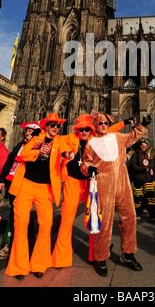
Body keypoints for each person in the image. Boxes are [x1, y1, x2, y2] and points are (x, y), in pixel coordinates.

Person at [51, 112, 130, 268]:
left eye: (87, 129)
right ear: (77, 130)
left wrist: (125, 122)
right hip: (73, 183)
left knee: (95, 219)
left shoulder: (94, 138)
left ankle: (95, 254)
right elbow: (57, 140)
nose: (84, 132)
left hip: (91, 183)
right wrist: (65, 153)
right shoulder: (70, 138)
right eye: (81, 129)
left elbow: (111, 129)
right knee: (66, 220)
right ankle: (60, 258)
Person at [81, 114, 151, 277]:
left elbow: (133, 136)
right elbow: (85, 162)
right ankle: (101, 257)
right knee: (104, 223)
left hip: (122, 183)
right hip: (103, 185)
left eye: (106, 123)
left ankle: (128, 254)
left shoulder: (117, 137)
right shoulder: (91, 143)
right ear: (96, 126)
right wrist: (89, 168)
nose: (104, 125)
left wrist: (143, 125)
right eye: (100, 123)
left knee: (130, 217)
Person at [5, 113, 67, 280]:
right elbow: (23, 154)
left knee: (46, 225)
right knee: (21, 224)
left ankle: (39, 264)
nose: (55, 127)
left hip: (45, 188)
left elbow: (67, 149)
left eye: (58, 125)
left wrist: (69, 154)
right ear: (46, 126)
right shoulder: (36, 138)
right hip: (26, 184)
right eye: (53, 124)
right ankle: (19, 266)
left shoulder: (60, 141)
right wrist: (39, 151)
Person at [0, 121, 41, 260]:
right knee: (14, 212)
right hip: (12, 183)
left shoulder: (38, 148)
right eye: (26, 131)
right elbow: (9, 163)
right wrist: (2, 179)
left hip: (25, 184)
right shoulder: (19, 146)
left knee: (16, 213)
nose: (27, 133)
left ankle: (9, 244)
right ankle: (23, 235)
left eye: (31, 132)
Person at [130, 139, 155, 222]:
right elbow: (132, 165)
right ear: (140, 146)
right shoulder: (135, 154)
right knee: (137, 197)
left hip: (148, 178)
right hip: (138, 178)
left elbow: (152, 167)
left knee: (151, 196)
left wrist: (150, 159)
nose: (144, 147)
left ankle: (153, 216)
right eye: (143, 146)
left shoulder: (148, 154)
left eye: (145, 146)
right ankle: (137, 215)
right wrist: (141, 169)